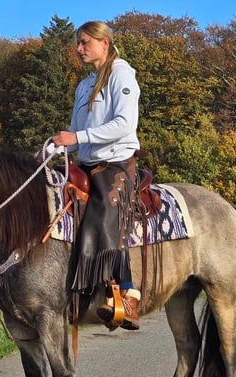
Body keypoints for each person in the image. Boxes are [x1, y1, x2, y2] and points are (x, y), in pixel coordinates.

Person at [51, 20, 141, 330]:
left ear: (105, 43)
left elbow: (124, 124)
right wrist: (54, 148)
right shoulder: (84, 86)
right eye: (78, 42)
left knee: (103, 212)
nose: (79, 48)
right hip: (85, 164)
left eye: (85, 42)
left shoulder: (122, 75)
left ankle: (126, 294)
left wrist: (76, 139)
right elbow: (75, 130)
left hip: (115, 163)